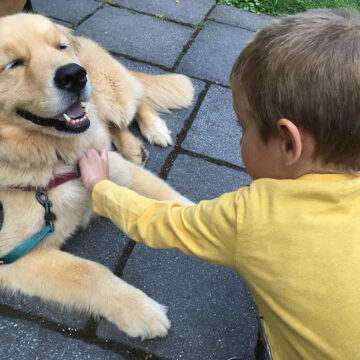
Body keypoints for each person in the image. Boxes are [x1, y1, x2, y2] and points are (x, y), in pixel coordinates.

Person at [79, 9, 360, 360]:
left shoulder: (251, 218)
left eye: (243, 127)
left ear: (289, 144)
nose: (240, 137)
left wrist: (101, 188)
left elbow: (159, 222)